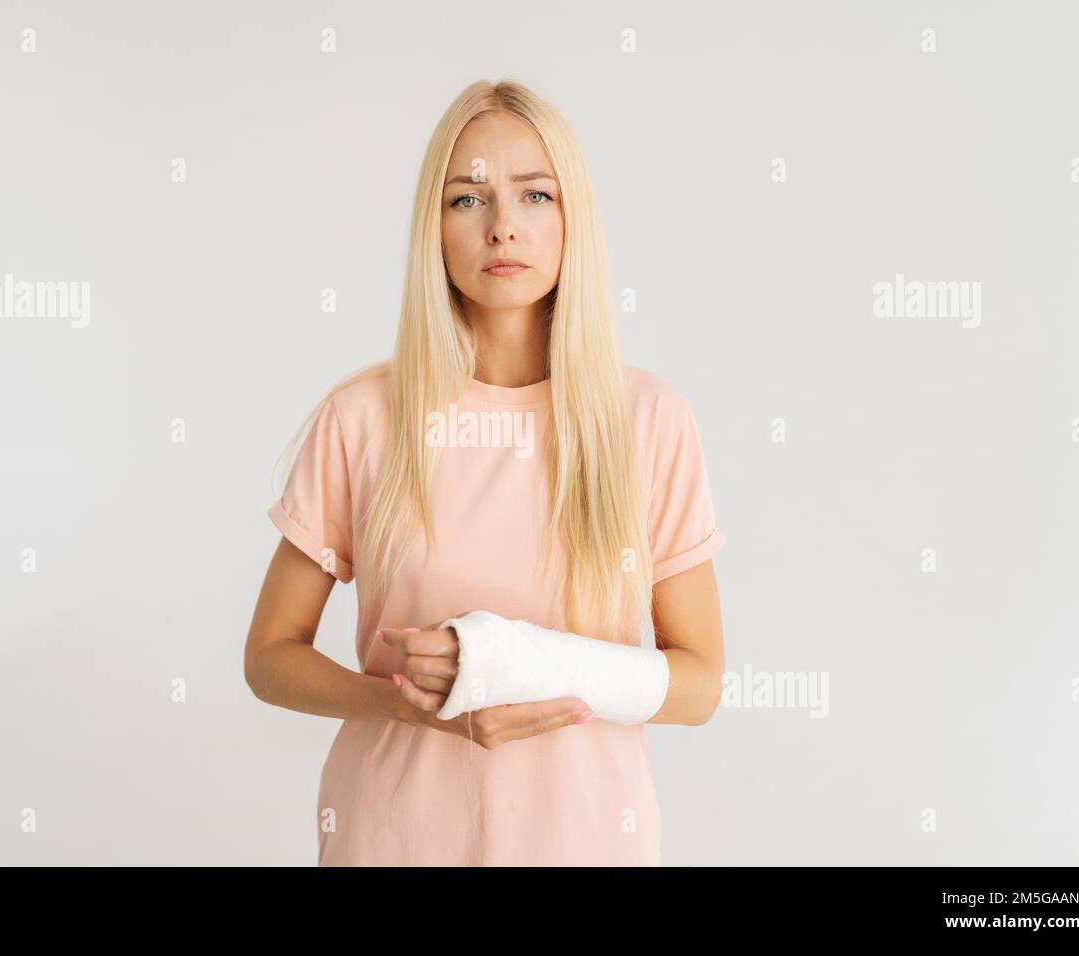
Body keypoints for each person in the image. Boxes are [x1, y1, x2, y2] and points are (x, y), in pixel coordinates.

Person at [243, 78, 727, 866]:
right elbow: (269, 655)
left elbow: (701, 684)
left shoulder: (649, 421)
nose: (504, 227)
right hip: (393, 839)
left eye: (536, 195)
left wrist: (538, 667)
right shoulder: (365, 418)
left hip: (589, 843)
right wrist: (406, 707)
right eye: (467, 199)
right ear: (432, 229)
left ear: (575, 220)